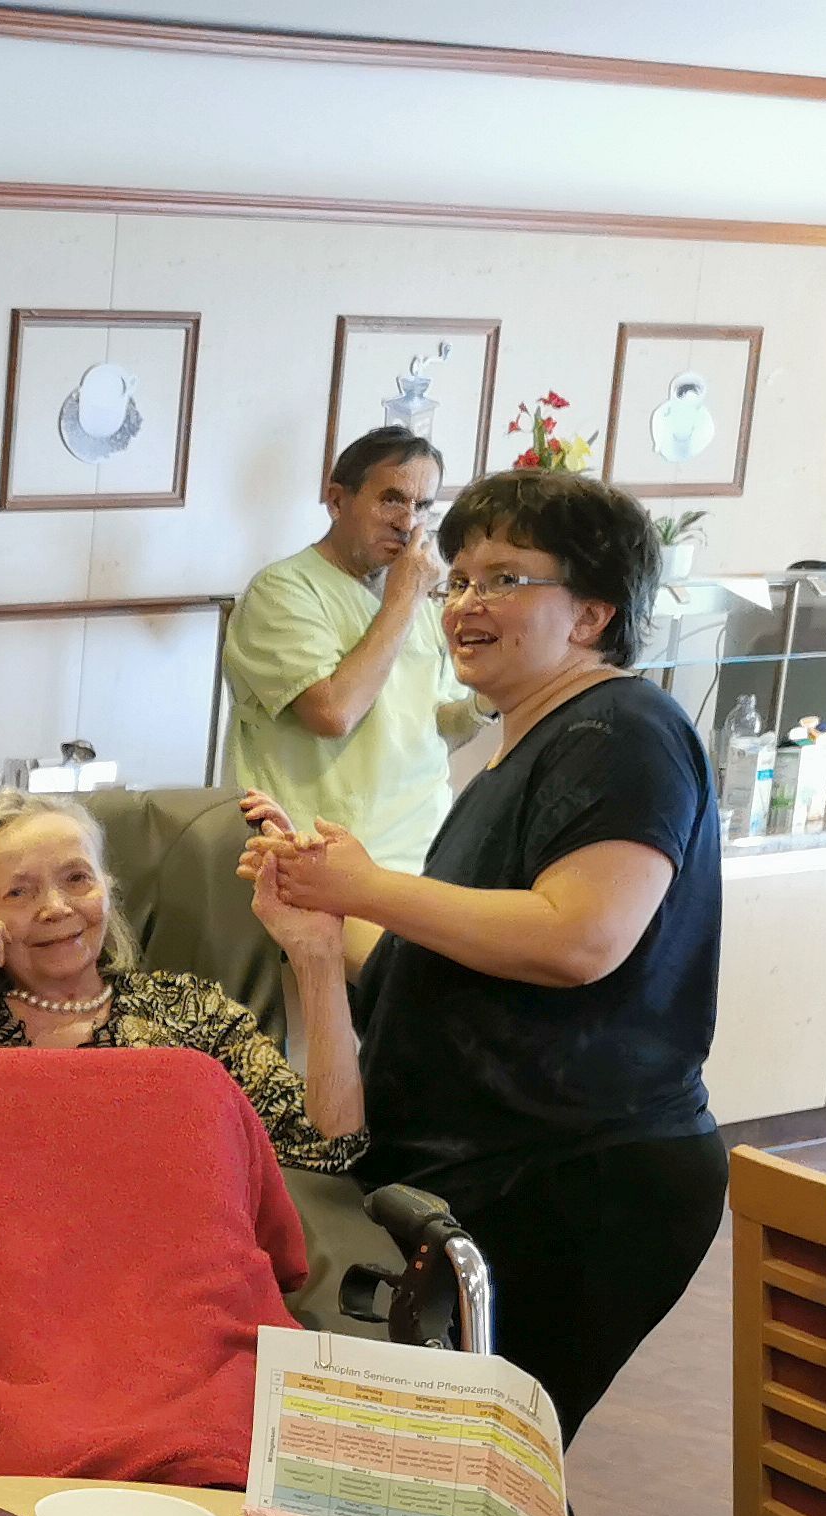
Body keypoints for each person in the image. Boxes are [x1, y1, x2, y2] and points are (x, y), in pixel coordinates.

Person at [244, 467, 723, 1442]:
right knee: (450, 1472)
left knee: (483, 1471)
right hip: (494, 1177)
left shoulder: (622, 729)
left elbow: (580, 938)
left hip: (576, 1178)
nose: (465, 603)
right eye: (459, 578)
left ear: (591, 613)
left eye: (504, 579)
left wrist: (365, 886)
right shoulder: (525, 749)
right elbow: (441, 964)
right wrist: (318, 918)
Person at [0, 792, 364, 1204]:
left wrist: (316, 955)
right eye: (19, 892)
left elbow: (326, 1149)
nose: (56, 907)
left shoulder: (189, 1013)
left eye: (77, 879)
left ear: (107, 889)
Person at [221, 425, 487, 881]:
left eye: (422, 506)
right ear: (337, 500)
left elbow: (437, 730)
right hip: (311, 858)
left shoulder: (416, 597)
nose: (408, 523)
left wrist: (490, 699)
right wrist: (404, 599)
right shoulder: (283, 590)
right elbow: (332, 714)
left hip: (425, 856)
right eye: (391, 499)